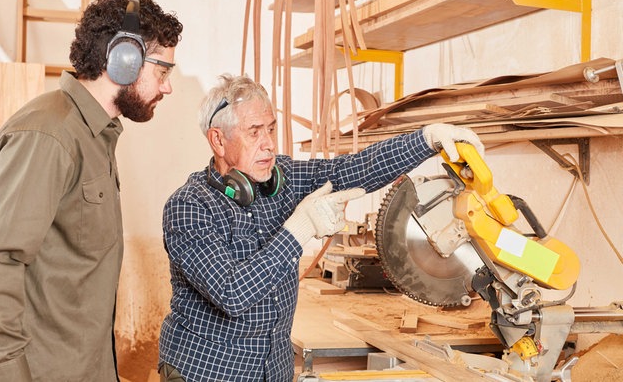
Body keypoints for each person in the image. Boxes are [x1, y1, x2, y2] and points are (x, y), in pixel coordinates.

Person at [157, 74, 484, 381]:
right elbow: (232, 293)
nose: (269, 144)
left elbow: (353, 169)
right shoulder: (189, 207)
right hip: (206, 370)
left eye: (271, 129)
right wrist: (301, 228)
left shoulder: (281, 177)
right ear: (218, 140)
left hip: (273, 368)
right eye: (254, 132)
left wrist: (426, 140)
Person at [0, 0, 182, 382]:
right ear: (123, 61)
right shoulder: (49, 135)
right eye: (162, 72)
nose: (167, 88)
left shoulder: (95, 136)